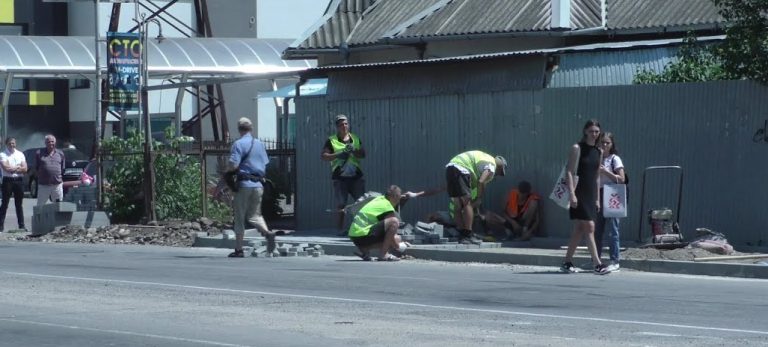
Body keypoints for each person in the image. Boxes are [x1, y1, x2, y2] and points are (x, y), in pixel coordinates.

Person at [560, 119, 611, 275]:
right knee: (589, 226)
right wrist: (572, 194)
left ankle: (567, 262)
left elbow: (596, 177)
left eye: (596, 131)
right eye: (591, 131)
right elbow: (569, 171)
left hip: (590, 193)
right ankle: (597, 263)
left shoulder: (599, 152)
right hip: (579, 191)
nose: (594, 134)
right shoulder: (577, 148)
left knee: (579, 229)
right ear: (585, 131)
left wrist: (597, 198)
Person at [227, 117, 275, 258]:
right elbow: (265, 163)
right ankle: (268, 233)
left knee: (240, 217)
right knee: (255, 215)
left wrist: (227, 173)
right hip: (258, 184)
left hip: (244, 185)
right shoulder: (259, 144)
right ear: (251, 129)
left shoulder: (238, 144)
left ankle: (239, 250)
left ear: (239, 129)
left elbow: (234, 165)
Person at [445, 150, 507, 244]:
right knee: (467, 204)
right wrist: (479, 199)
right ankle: (468, 235)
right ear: (499, 167)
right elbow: (481, 181)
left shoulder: (485, 159)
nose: (496, 175)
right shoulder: (492, 166)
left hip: (451, 166)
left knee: (458, 205)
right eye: (499, 173)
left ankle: (462, 234)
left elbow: (478, 182)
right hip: (462, 168)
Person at [348, 185, 423, 261]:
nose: (398, 202)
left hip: (355, 236)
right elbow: (391, 231)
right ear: (394, 196)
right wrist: (399, 246)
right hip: (363, 234)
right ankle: (383, 255)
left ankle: (364, 249)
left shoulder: (379, 199)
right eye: (398, 198)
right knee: (394, 221)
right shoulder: (387, 206)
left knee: (396, 238)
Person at [321, 114, 366, 236]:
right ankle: (340, 230)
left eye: (346, 123)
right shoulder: (331, 140)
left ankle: (360, 228)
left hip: (356, 176)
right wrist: (338, 154)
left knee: (361, 203)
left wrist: (354, 151)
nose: (344, 126)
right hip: (340, 177)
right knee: (341, 204)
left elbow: (362, 154)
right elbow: (324, 156)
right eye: (341, 124)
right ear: (337, 126)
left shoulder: (355, 138)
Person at [595, 132, 625, 272]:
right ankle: (597, 260)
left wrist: (605, 172)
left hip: (612, 193)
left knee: (613, 229)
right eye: (602, 142)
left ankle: (615, 260)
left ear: (612, 144)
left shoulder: (615, 159)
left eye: (607, 142)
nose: (604, 145)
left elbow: (621, 178)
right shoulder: (597, 158)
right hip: (598, 193)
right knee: (597, 230)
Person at [0, 137, 28, 232]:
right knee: (4, 204)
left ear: (15, 144)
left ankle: (22, 226)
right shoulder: (3, 154)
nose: (12, 145)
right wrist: (18, 167)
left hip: (19, 181)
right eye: (10, 144)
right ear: (6, 144)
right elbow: (6, 168)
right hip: (7, 181)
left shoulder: (20, 154)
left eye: (13, 143)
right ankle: (0, 226)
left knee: (19, 204)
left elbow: (25, 169)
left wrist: (14, 168)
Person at [35, 134, 66, 206]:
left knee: (58, 206)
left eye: (52, 141)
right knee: (40, 206)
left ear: (55, 142)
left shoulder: (60, 153)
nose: (50, 143)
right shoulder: (39, 153)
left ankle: (57, 218)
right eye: (48, 142)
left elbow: (62, 168)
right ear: (45, 143)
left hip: (57, 185)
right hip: (44, 185)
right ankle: (40, 217)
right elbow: (37, 167)